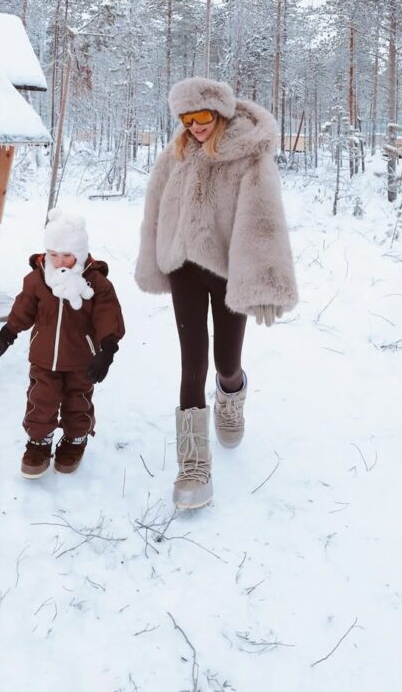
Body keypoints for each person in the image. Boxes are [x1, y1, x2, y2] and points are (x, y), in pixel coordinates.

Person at [135, 77, 298, 509]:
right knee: (193, 363)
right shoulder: (177, 153)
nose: (195, 126)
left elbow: (263, 219)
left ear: (220, 112)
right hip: (183, 267)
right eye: (186, 119)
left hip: (227, 271)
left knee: (225, 361)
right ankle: (193, 464)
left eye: (202, 116)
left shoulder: (249, 153)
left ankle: (232, 394)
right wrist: (154, 259)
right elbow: (155, 207)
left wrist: (263, 281)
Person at [0, 208, 125, 479]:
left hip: (82, 360)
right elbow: (24, 309)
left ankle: (74, 440)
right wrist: (7, 334)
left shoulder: (95, 282)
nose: (60, 260)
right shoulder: (38, 279)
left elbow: (108, 316)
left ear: (80, 253)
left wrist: (107, 349)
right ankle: (39, 442)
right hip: (44, 357)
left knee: (78, 402)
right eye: (54, 253)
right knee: (40, 399)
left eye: (68, 255)